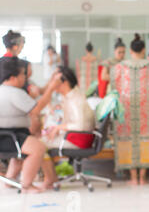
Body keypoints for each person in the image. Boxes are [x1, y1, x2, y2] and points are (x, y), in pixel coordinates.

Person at [105, 34, 149, 185]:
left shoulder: (120, 66)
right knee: (145, 138)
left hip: (126, 109)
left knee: (127, 138)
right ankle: (142, 177)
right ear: (143, 50)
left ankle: (133, 178)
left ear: (130, 50)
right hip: (147, 110)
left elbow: (106, 77)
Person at [0, 57, 60, 193]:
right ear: (13, 77)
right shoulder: (14, 92)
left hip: (10, 133)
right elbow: (37, 109)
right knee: (38, 148)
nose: (24, 78)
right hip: (8, 136)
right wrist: (51, 88)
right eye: (22, 74)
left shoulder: (5, 90)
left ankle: (10, 180)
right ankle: (26, 185)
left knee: (24, 152)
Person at [40, 66, 96, 189]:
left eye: (55, 81)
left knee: (39, 145)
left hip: (79, 139)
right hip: (76, 136)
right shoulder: (70, 96)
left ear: (64, 82)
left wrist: (58, 128)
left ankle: (50, 178)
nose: (52, 84)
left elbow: (80, 125)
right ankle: (50, 177)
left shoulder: (76, 99)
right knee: (43, 137)